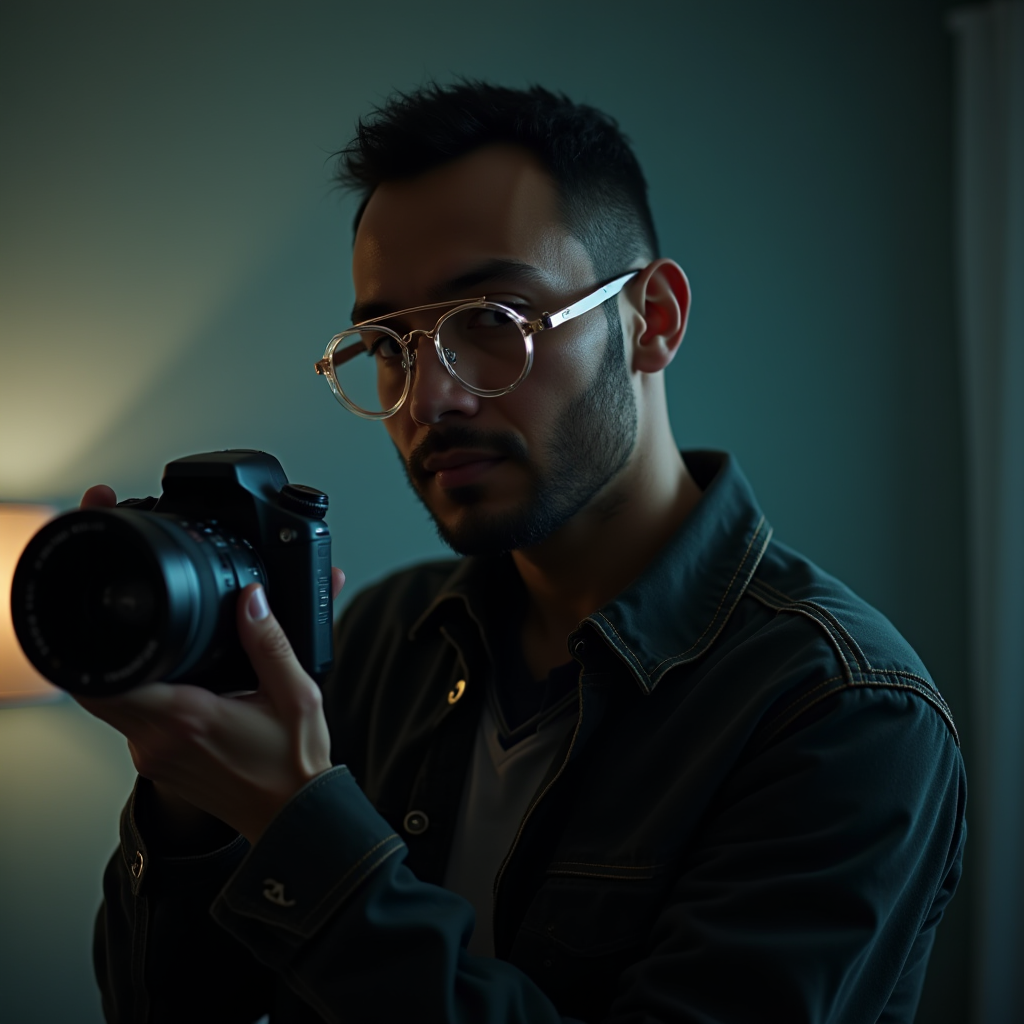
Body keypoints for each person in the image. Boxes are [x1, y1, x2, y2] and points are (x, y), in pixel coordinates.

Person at [80, 83, 966, 1023]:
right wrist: (186, 792)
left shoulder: (843, 710)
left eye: (490, 321)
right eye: (389, 343)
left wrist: (300, 829)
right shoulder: (378, 639)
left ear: (653, 319)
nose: (430, 401)